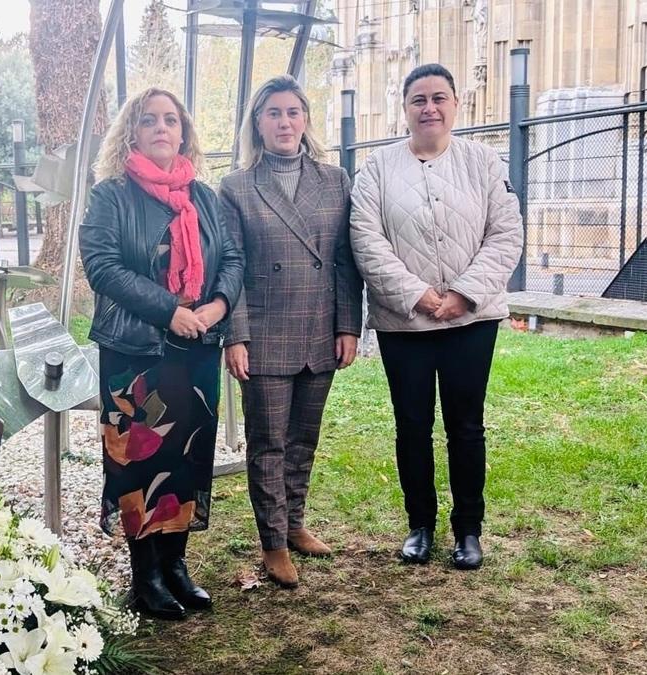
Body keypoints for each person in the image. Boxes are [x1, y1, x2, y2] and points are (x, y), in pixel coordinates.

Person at [350, 63, 523, 570]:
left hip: (472, 320)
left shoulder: (484, 162)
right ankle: (419, 525)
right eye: (419, 99)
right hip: (405, 324)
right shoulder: (377, 170)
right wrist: (419, 295)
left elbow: (505, 233)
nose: (429, 107)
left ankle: (468, 530)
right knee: (412, 425)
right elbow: (366, 239)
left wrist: (465, 294)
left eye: (439, 98)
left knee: (467, 427)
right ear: (404, 109)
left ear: (455, 105)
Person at [80, 87, 244, 620]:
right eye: (148, 120)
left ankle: (175, 565)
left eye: (170, 120)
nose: (161, 128)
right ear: (131, 131)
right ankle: (145, 576)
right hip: (136, 350)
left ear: (183, 131)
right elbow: (103, 267)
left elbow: (234, 257)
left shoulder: (204, 196)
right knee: (139, 460)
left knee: (187, 458)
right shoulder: (111, 196)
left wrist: (217, 306)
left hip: (197, 346)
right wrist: (168, 309)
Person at [220, 76, 363, 588]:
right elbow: (229, 268)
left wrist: (349, 324)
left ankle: (296, 523)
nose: (285, 122)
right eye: (273, 113)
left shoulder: (335, 180)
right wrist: (234, 335)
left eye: (293, 112)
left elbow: (347, 261)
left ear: (306, 119)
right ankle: (273, 542)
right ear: (257, 124)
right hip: (263, 334)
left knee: (304, 438)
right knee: (268, 443)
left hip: (319, 331)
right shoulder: (236, 187)